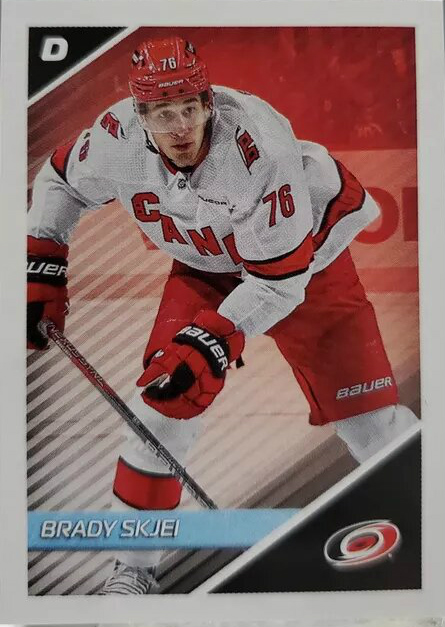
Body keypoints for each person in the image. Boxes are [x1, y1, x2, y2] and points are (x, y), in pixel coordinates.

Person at [27, 36, 418, 594]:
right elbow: (59, 180)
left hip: (307, 262)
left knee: (371, 425)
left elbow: (279, 282)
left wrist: (213, 340)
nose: (181, 128)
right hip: (207, 267)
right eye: (164, 114)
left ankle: (426, 528)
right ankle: (132, 569)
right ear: (140, 115)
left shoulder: (259, 149)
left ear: (208, 102)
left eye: (190, 108)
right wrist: (42, 261)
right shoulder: (115, 139)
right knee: (163, 401)